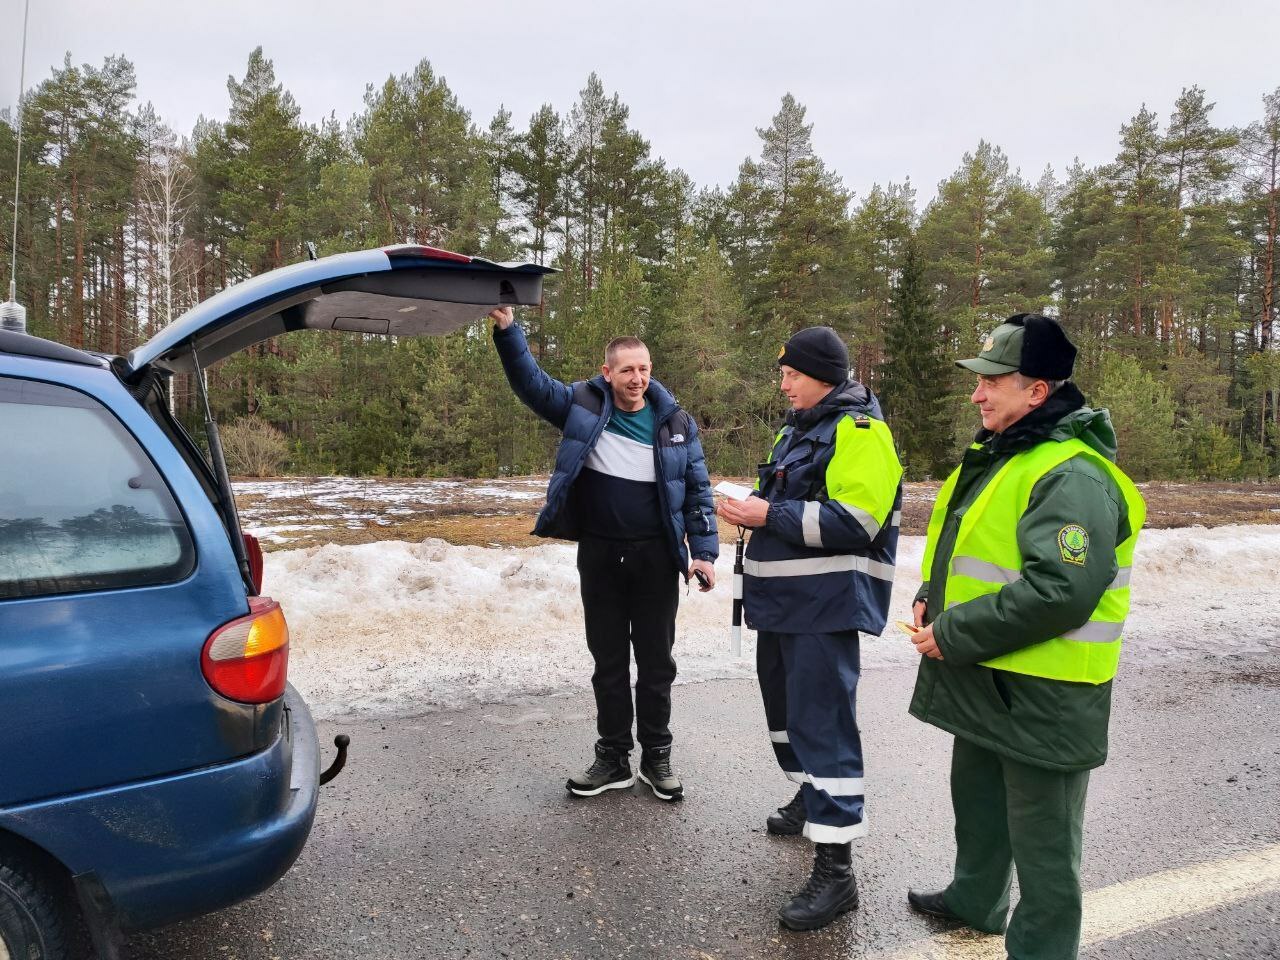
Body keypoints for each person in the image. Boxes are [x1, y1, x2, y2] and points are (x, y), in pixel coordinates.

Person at [905, 314, 1145, 960]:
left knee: (1045, 851)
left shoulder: (1072, 475)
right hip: (990, 675)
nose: (977, 394)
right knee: (978, 804)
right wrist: (934, 596)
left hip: (1049, 693)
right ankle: (975, 900)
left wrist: (953, 632)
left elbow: (1061, 591)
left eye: (993, 382)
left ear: (1037, 391)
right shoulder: (1008, 452)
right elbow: (975, 546)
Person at [488, 306, 718, 802]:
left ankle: (657, 757)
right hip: (601, 556)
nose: (637, 378)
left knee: (656, 664)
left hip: (657, 558)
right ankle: (613, 756)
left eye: (645, 368)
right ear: (607, 371)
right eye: (628, 369)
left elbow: (698, 490)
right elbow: (531, 384)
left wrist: (704, 552)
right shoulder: (582, 405)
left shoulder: (676, 422)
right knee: (608, 662)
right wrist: (509, 332)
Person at [717, 326, 903, 931]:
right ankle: (808, 797)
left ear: (823, 374)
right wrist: (746, 503)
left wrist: (768, 512)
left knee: (823, 725)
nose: (784, 381)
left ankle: (836, 870)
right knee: (787, 714)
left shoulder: (860, 432)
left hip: (823, 607)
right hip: (783, 602)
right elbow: (784, 499)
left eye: (792, 372)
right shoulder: (796, 429)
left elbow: (858, 519)